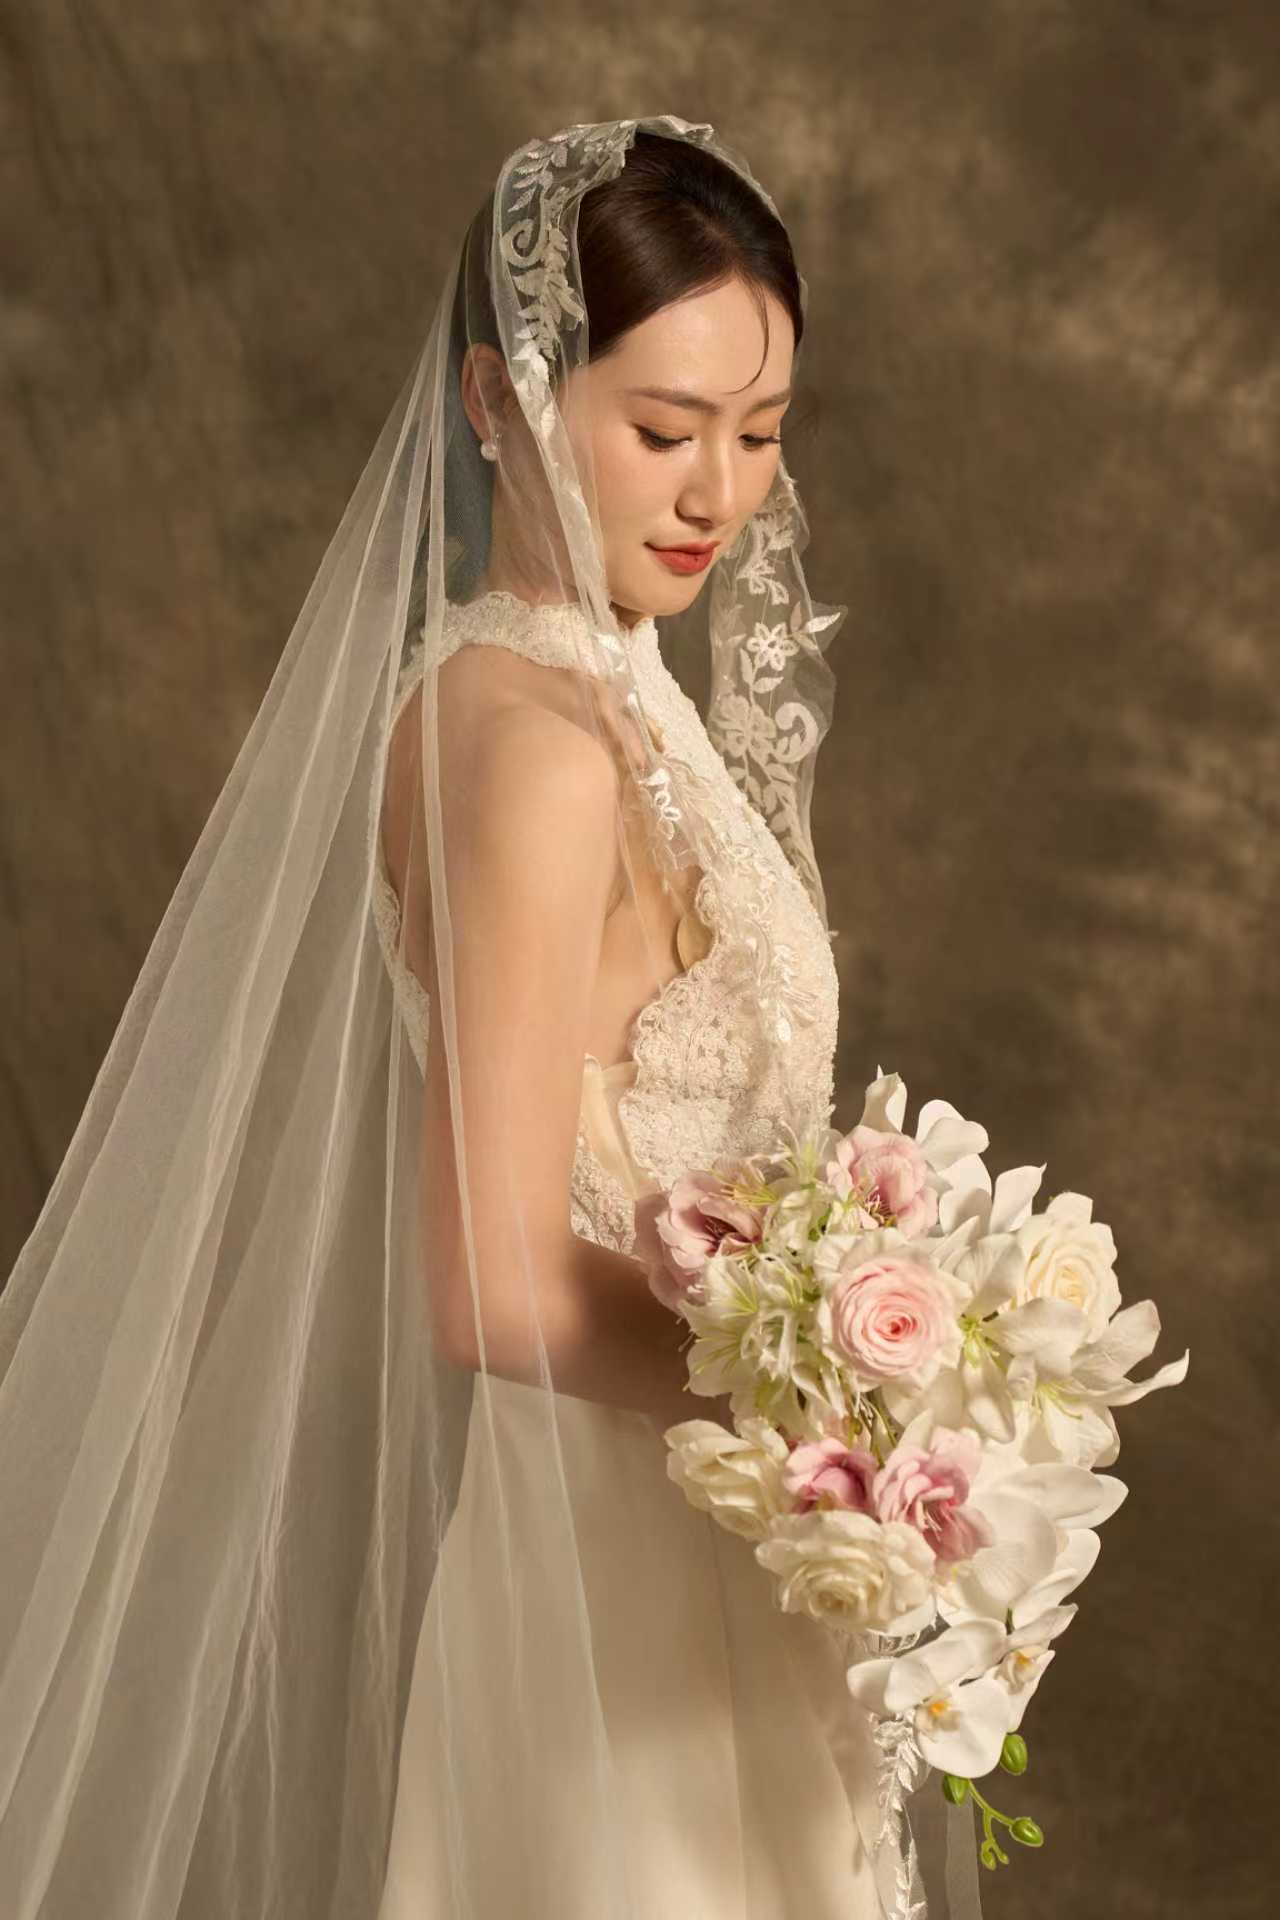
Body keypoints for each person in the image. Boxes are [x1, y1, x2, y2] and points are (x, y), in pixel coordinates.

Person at [0, 115, 980, 1917]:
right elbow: (489, 1279)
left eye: (762, 432)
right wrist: (850, 1409)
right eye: (664, 430)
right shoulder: (532, 752)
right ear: (495, 397)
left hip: (713, 1550)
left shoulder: (612, 696)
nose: (718, 493)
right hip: (616, 1590)